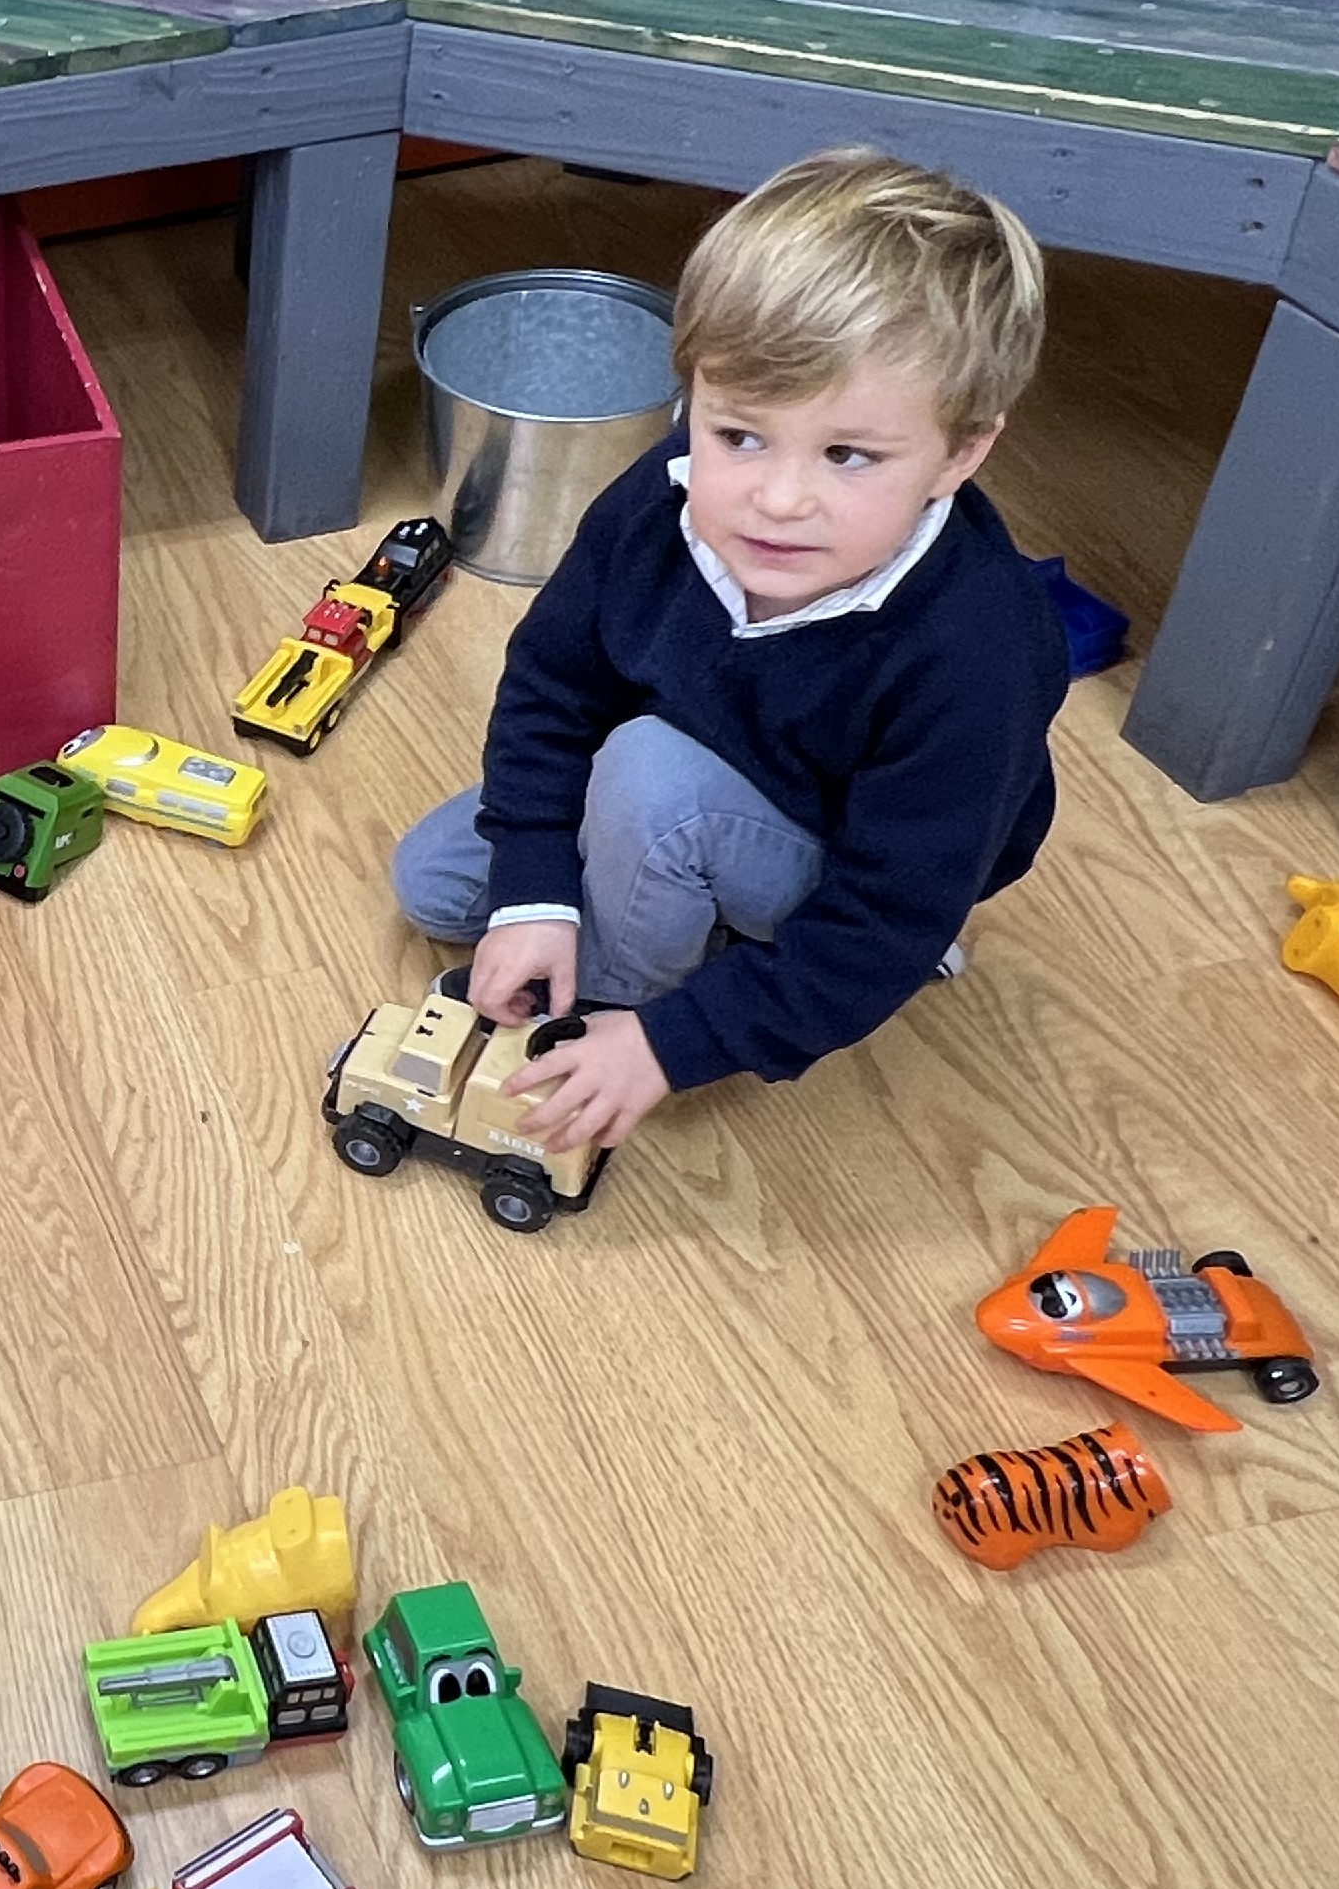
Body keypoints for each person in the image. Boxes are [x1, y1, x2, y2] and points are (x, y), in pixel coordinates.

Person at [393, 147, 1071, 1156]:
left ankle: (613, 1004)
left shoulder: (977, 652)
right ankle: (668, 908)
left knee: (654, 786)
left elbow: (887, 917)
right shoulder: (662, 495)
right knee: (436, 883)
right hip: (694, 757)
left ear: (960, 453)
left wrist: (666, 1044)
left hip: (836, 854)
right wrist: (534, 890)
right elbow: (551, 686)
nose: (778, 499)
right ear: (692, 402)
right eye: (740, 435)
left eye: (848, 455)